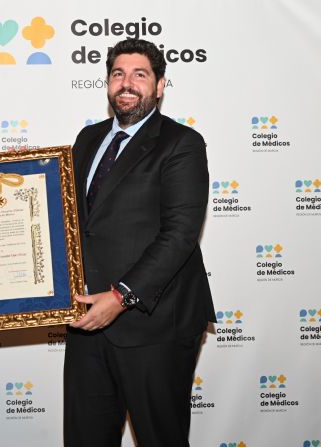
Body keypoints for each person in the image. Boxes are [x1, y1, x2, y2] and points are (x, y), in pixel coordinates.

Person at [64, 39, 216, 447]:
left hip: (155, 323)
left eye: (139, 75)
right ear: (108, 83)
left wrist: (121, 296)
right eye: (118, 74)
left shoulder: (181, 143)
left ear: (160, 85)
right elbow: (66, 220)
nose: (126, 84)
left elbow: (180, 233)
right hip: (87, 321)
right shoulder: (87, 139)